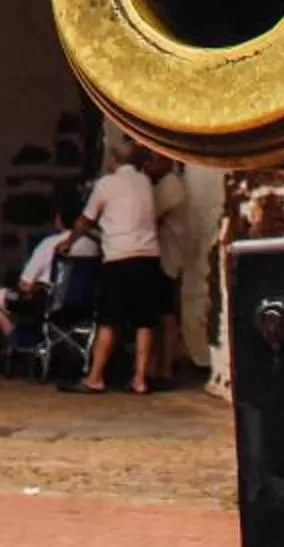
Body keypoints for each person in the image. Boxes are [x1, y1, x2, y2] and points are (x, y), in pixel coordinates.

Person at [65, 137, 168, 395]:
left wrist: (69, 241)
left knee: (110, 319)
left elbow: (86, 220)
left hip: (119, 257)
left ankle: (95, 377)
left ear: (114, 160)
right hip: (148, 256)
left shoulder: (106, 185)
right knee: (145, 320)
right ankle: (140, 379)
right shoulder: (145, 182)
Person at [0, 190, 93, 343]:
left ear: (59, 218)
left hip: (50, 305)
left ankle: (21, 343)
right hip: (84, 307)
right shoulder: (94, 246)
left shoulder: (50, 244)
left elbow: (25, 284)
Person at [148, 150, 193, 384]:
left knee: (167, 315)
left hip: (168, 258)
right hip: (163, 256)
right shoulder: (166, 184)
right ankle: (157, 367)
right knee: (159, 314)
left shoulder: (170, 185)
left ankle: (166, 369)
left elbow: (150, 214)